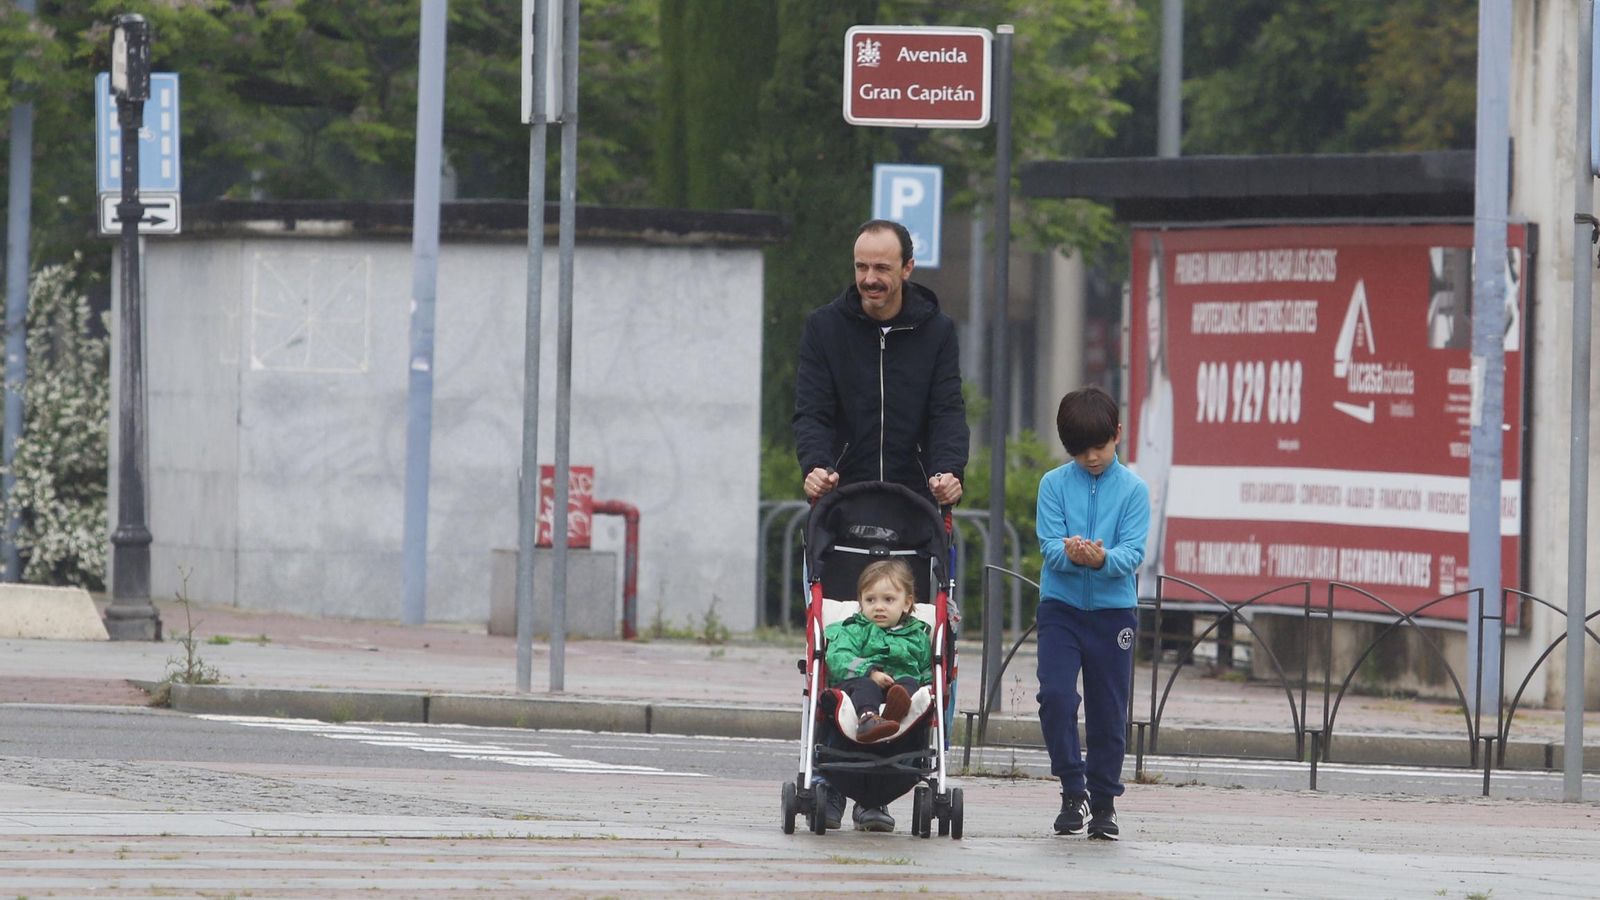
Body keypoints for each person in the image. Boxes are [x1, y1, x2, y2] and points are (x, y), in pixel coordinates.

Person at [1035, 386, 1150, 842]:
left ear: (1117, 434)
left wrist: (1100, 560)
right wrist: (1072, 554)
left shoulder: (1134, 490)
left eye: (1099, 447)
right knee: (1056, 697)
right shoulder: (1053, 484)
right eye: (1080, 451)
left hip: (1113, 612)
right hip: (1060, 607)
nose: (1092, 458)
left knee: (1109, 709)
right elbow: (1048, 545)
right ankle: (1072, 787)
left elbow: (1133, 553)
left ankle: (1104, 802)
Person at [793, 219, 968, 507]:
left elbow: (947, 413)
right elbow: (812, 412)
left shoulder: (938, 331)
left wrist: (948, 472)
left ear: (907, 268)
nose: (869, 278)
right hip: (842, 497)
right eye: (861, 267)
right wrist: (816, 466)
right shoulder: (824, 328)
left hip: (915, 501)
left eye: (882, 268)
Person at [819, 558, 931, 833]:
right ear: (861, 603)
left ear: (906, 603)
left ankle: (895, 708)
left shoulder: (918, 635)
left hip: (900, 689)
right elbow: (838, 657)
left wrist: (933, 688)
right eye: (870, 600)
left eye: (888, 599)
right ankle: (870, 717)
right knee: (866, 686)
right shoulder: (853, 629)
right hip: (859, 688)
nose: (878, 606)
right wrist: (870, 671)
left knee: (909, 683)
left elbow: (928, 669)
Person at [1135, 239, 1173, 600]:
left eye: (1158, 295)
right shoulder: (1146, 405)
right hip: (1138, 574)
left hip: (1155, 571)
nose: (1152, 311)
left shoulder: (1171, 401)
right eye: (1147, 297)